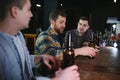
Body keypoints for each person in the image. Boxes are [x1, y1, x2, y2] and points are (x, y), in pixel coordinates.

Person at [0, 0, 80, 80]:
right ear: (15, 11)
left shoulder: (19, 35)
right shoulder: (44, 36)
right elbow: (53, 54)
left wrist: (40, 57)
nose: (31, 14)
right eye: (28, 9)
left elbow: (24, 60)